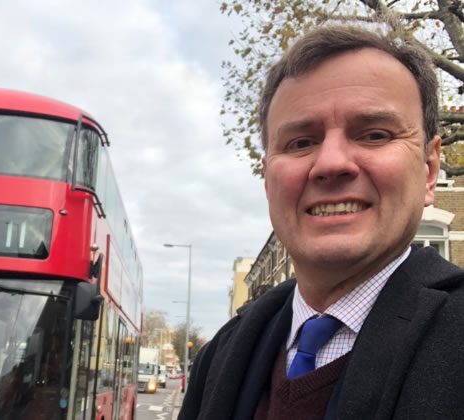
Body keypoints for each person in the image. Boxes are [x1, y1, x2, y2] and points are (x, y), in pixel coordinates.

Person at [179, 24, 464, 419]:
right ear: (268, 179)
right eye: (301, 143)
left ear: (430, 170)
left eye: (375, 134)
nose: (330, 164)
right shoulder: (220, 356)